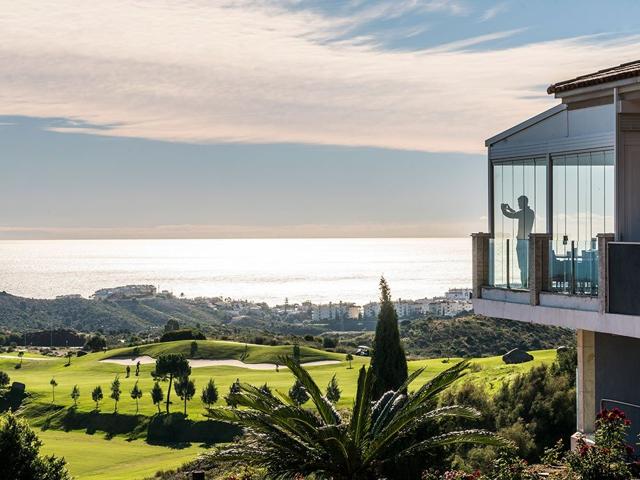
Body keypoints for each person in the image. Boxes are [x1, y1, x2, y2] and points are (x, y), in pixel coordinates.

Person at [501, 195, 534, 287]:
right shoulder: (530, 212)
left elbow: (511, 215)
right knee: (526, 265)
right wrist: (510, 209)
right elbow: (517, 214)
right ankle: (526, 284)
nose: (518, 204)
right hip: (527, 241)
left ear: (524, 203)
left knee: (522, 265)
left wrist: (503, 209)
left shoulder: (523, 213)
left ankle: (524, 284)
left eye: (519, 202)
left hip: (521, 241)